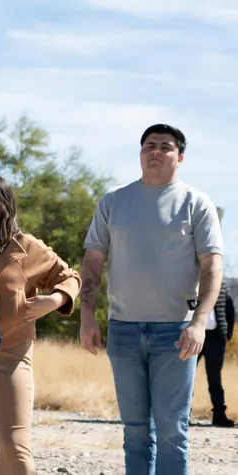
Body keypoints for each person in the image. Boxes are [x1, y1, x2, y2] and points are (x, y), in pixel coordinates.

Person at [79, 123, 225, 475]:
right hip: (124, 331)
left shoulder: (196, 203)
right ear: (141, 153)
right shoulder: (114, 201)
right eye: (149, 145)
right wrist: (86, 317)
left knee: (173, 430)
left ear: (180, 157)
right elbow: (93, 261)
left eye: (165, 146)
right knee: (135, 431)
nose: (156, 150)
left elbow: (212, 267)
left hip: (176, 332)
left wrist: (198, 324)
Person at [0, 174, 81, 475]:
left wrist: (55, 300)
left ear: (5, 206)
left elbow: (69, 277)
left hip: (11, 357)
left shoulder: (27, 246)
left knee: (13, 445)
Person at [197, 280, 235, 427]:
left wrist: (227, 334)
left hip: (215, 337)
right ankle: (183, 415)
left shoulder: (221, 284)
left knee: (215, 378)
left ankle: (219, 416)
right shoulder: (190, 281)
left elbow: (229, 309)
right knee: (185, 378)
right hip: (193, 336)